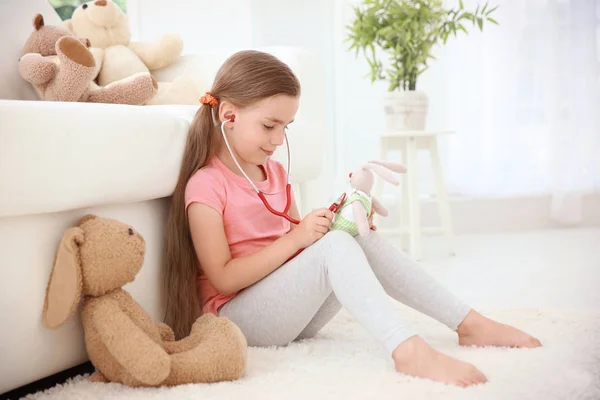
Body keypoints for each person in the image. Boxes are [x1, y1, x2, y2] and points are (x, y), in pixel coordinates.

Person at [164, 50, 542, 388]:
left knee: (352, 234)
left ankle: (467, 322)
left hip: (289, 314)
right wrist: (297, 240)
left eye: (285, 128)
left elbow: (300, 249)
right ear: (228, 115)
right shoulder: (207, 185)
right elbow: (224, 277)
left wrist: (334, 222)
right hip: (241, 319)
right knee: (335, 248)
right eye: (269, 126)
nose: (278, 139)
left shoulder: (275, 173)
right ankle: (405, 348)